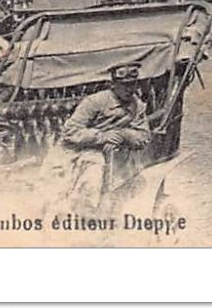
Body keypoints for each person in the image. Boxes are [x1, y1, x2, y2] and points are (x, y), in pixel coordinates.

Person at [57, 60, 152, 209]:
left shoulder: (136, 105)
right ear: (113, 85)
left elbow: (144, 136)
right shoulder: (95, 102)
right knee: (91, 181)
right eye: (124, 85)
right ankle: (85, 216)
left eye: (133, 84)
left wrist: (124, 134)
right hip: (81, 151)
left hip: (117, 156)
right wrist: (102, 137)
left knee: (133, 187)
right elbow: (70, 131)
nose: (130, 90)